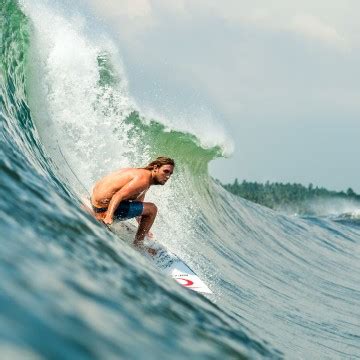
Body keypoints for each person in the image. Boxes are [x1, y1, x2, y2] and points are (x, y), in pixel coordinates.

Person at [91, 156, 175, 250]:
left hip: (94, 202)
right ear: (155, 168)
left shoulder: (142, 174)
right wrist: (108, 217)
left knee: (146, 208)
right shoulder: (143, 180)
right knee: (152, 209)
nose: (168, 176)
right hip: (102, 209)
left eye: (170, 174)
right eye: (166, 171)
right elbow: (118, 195)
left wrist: (144, 228)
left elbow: (139, 204)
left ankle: (105, 213)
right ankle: (138, 245)